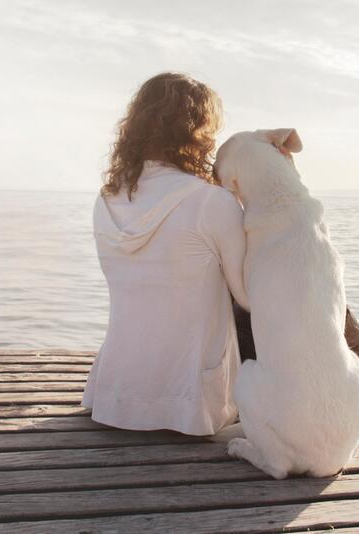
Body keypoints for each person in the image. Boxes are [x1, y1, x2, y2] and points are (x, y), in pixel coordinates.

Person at [83, 72, 247, 436]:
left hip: (115, 397)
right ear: (198, 132)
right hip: (192, 405)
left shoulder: (105, 199)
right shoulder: (212, 202)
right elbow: (249, 298)